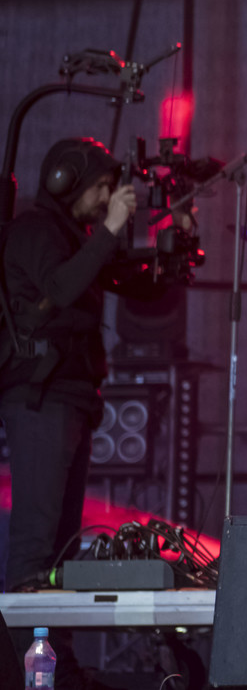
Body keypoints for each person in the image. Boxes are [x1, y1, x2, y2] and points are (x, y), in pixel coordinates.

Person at [0, 139, 136, 591]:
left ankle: (53, 636)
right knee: (36, 541)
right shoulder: (35, 230)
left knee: (62, 547)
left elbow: (131, 283)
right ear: (65, 182)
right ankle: (23, 638)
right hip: (42, 397)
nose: (105, 198)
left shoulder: (77, 239)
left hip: (71, 396)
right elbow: (59, 287)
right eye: (100, 187)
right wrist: (110, 230)